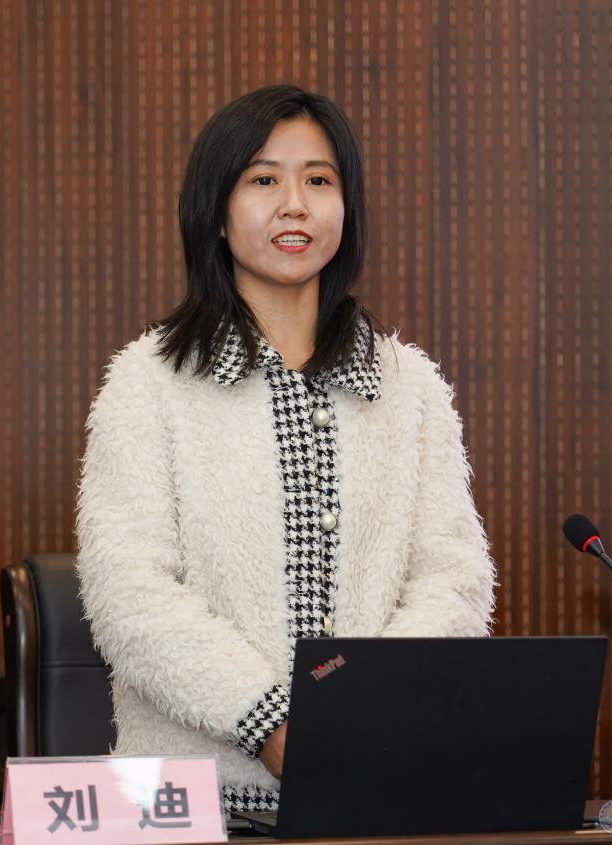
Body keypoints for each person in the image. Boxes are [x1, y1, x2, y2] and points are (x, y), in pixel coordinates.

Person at [76, 84, 496, 812]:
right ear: (215, 212)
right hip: (193, 807)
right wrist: (268, 722)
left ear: (347, 209)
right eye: (263, 180)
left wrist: (361, 709)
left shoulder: (411, 386)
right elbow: (129, 595)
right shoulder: (147, 382)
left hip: (376, 787)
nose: (294, 205)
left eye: (319, 181)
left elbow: (454, 582)